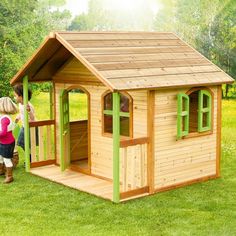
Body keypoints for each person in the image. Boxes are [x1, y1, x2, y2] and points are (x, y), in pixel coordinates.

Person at [0, 97, 18, 183]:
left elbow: (3, 133)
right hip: (3, 141)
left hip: (7, 143)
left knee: (7, 159)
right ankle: (1, 171)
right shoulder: (4, 117)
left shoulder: (4, 119)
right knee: (0, 157)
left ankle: (10, 176)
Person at [13, 84, 35, 151]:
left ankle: (30, 157)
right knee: (21, 143)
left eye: (15, 96)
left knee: (25, 143)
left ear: (21, 96)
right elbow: (21, 113)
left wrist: (29, 111)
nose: (14, 97)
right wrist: (17, 118)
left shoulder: (28, 105)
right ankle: (29, 155)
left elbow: (32, 117)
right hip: (24, 126)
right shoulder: (20, 104)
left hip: (30, 127)